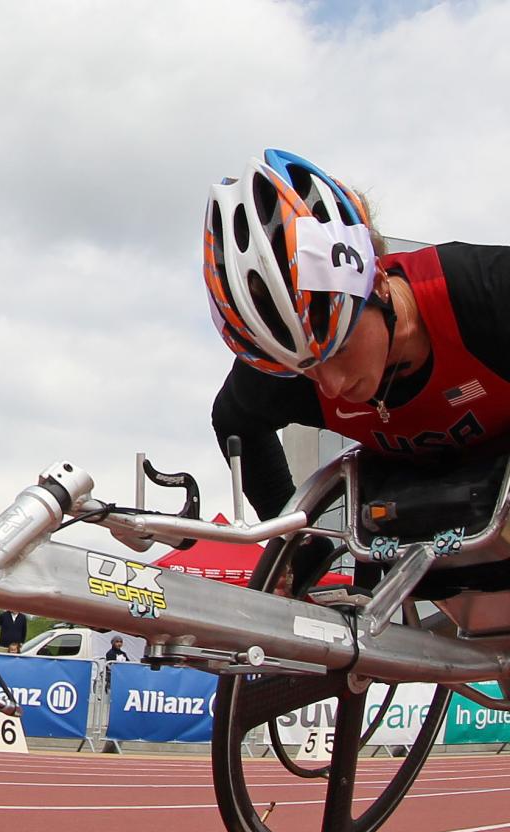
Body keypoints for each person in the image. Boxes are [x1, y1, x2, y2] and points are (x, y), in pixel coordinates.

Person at [206, 148, 510, 586]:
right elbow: (233, 419)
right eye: (304, 367)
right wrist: (298, 540)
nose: (330, 386)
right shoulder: (288, 376)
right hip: (410, 545)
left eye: (340, 349)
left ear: (380, 283)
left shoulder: (486, 294)